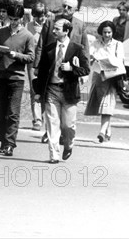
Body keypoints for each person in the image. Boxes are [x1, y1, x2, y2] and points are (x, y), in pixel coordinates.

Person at [35, 19, 90, 163]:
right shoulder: (49, 48)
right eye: (54, 29)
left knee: (68, 126)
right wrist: (39, 92)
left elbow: (86, 69)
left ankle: (68, 144)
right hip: (52, 90)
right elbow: (42, 72)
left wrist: (72, 69)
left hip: (69, 91)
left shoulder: (77, 48)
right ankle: (54, 155)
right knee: (52, 124)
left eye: (57, 29)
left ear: (66, 31)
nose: (54, 31)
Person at [0, 4, 35, 156]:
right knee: (1, 111)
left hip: (17, 77)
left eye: (16, 19)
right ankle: (3, 141)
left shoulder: (28, 36)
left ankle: (10, 143)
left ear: (21, 18)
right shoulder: (1, 32)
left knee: (13, 112)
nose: (13, 22)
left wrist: (16, 55)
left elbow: (31, 57)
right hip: (0, 75)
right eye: (11, 19)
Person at [84, 21, 124, 143]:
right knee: (102, 104)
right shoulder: (95, 43)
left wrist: (109, 61)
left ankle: (101, 131)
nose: (107, 35)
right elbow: (89, 57)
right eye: (105, 32)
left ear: (113, 32)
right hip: (99, 76)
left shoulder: (118, 44)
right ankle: (108, 130)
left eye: (109, 32)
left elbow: (120, 60)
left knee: (107, 104)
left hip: (112, 77)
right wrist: (93, 58)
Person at [26, 2, 48, 131]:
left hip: (46, 61)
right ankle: (37, 118)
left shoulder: (49, 25)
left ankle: (45, 116)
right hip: (32, 62)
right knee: (34, 89)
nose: (39, 18)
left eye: (42, 15)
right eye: (36, 16)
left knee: (46, 89)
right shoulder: (28, 26)